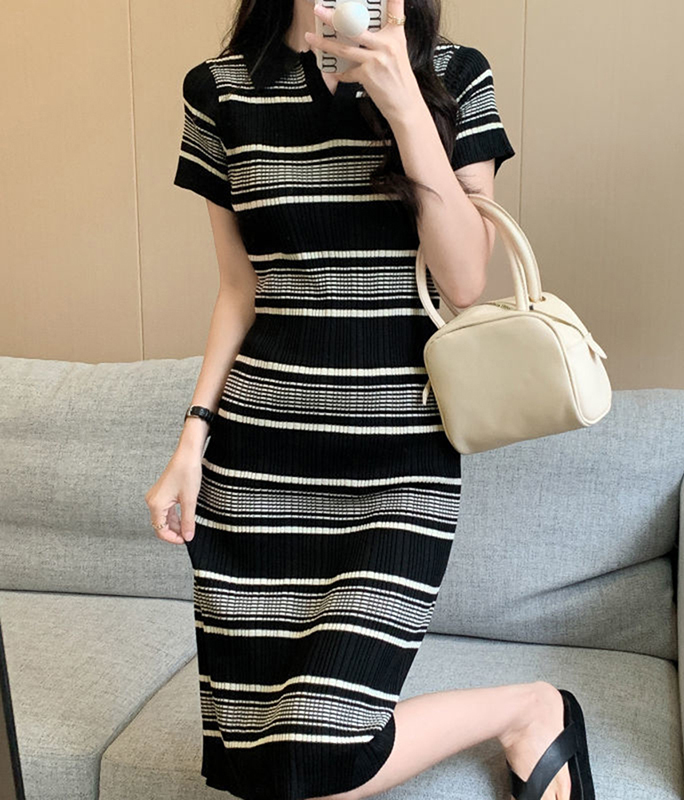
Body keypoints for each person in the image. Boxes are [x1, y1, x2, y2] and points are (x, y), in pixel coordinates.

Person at [145, 1, 593, 799]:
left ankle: (529, 709)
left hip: (399, 463)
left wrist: (404, 104)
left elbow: (465, 280)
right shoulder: (219, 91)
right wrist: (192, 442)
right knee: (260, 765)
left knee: (322, 760)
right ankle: (522, 714)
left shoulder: (453, 75)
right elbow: (239, 289)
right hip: (258, 468)